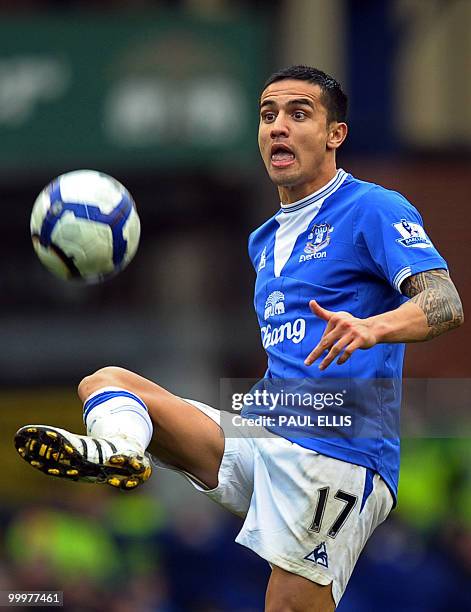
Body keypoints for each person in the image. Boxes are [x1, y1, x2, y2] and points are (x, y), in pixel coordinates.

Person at [15, 65, 464, 611]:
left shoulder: (373, 207)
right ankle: (120, 452)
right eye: (268, 114)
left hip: (339, 453)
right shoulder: (264, 239)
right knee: (106, 383)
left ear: (334, 135)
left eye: (299, 114)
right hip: (266, 435)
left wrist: (375, 326)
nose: (278, 126)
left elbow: (444, 303)